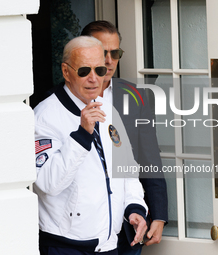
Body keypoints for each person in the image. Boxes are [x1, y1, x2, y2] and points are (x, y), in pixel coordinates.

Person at [33, 35, 149, 255]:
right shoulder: (44, 116)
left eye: (100, 70)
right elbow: (48, 183)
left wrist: (134, 208)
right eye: (84, 71)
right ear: (66, 72)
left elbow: (127, 168)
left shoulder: (107, 108)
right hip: (66, 245)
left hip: (108, 244)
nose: (94, 79)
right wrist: (82, 134)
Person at [81, 21, 168, 254]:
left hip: (129, 225)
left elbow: (149, 156)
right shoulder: (59, 101)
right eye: (103, 53)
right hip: (83, 229)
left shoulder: (134, 95)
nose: (109, 61)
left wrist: (158, 214)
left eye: (115, 53)